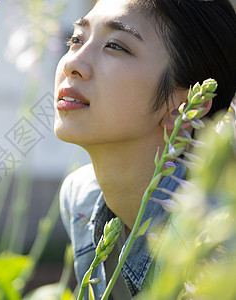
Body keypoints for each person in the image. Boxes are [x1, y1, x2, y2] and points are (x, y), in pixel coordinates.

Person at [55, 0, 236, 298]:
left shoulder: (218, 245)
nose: (72, 64)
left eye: (115, 46)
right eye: (77, 39)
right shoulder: (80, 199)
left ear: (184, 107)